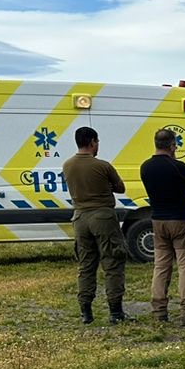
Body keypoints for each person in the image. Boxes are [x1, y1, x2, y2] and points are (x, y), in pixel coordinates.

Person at [62, 126, 127, 324]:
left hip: (80, 218)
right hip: (103, 216)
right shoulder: (103, 166)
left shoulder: (68, 165)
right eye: (97, 142)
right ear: (92, 142)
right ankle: (115, 312)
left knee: (86, 265)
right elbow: (120, 188)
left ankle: (86, 312)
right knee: (112, 261)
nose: (97, 146)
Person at [139, 127, 185, 325]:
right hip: (180, 219)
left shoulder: (145, 167)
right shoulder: (178, 166)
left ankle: (159, 310)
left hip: (158, 220)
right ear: (172, 145)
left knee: (161, 266)